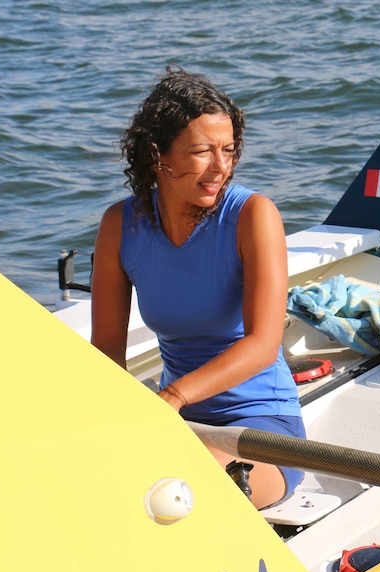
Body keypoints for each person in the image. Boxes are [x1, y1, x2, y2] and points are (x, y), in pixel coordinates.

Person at [91, 67, 305, 510]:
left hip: (259, 425)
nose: (221, 167)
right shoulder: (120, 224)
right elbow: (106, 350)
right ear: (158, 156)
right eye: (203, 151)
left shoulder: (253, 214)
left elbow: (264, 345)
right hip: (178, 420)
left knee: (172, 494)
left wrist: (172, 396)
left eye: (228, 150)